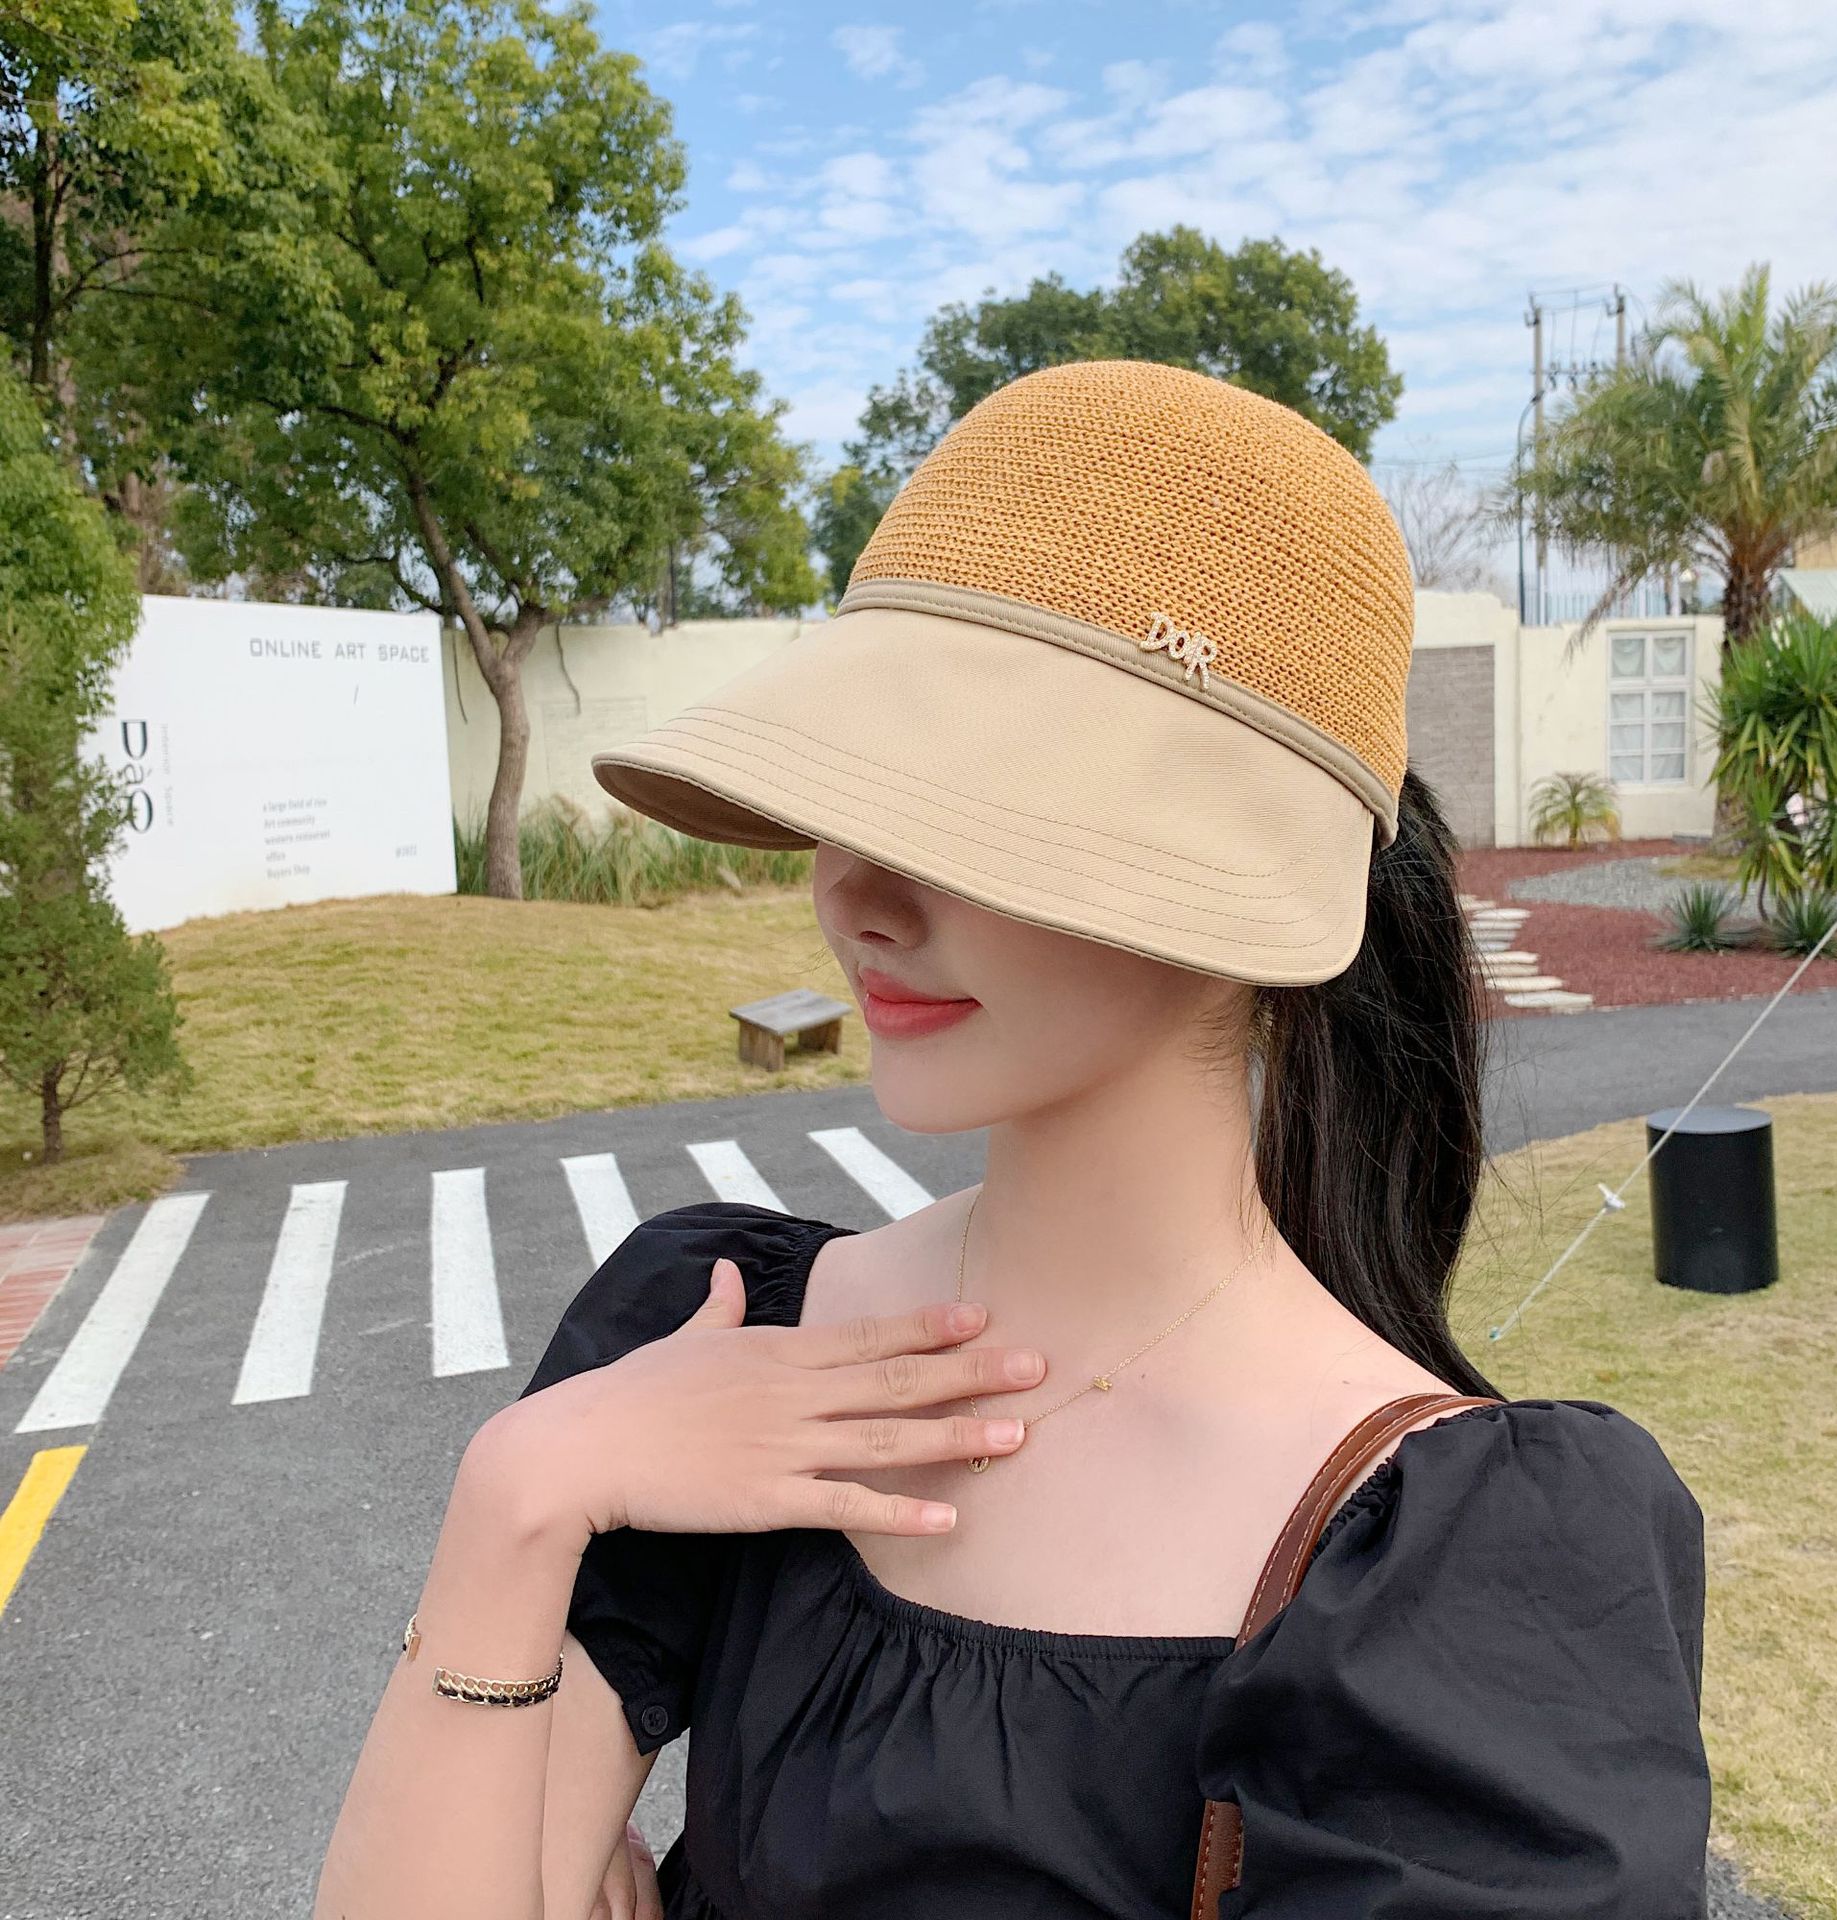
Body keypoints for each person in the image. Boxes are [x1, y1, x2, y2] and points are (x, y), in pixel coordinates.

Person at [312, 360, 1711, 1920]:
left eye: (980, 813)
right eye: (853, 791)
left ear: (1238, 879)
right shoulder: (713, 1339)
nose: (857, 894)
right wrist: (520, 1495)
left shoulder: (1474, 1567)